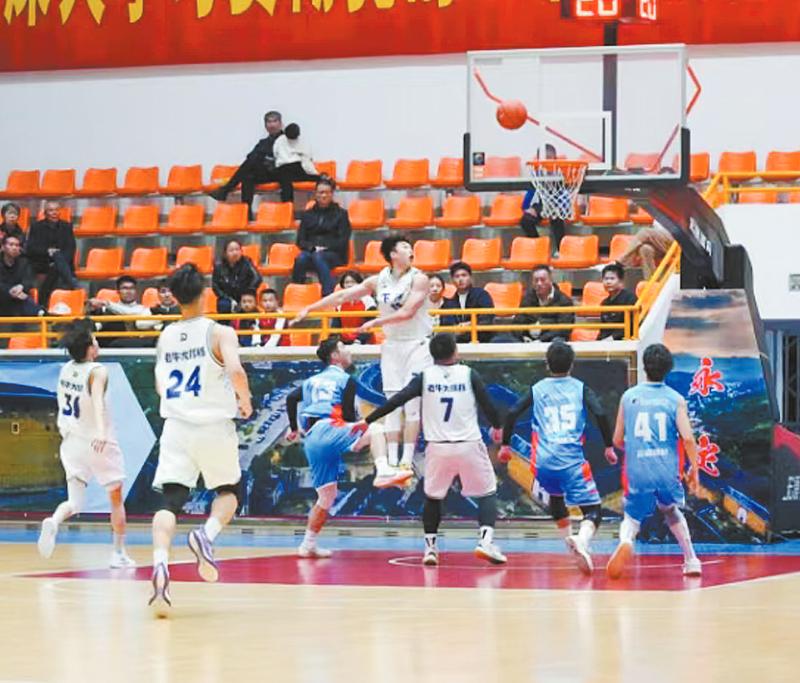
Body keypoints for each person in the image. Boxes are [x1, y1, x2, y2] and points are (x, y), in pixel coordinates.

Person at [149, 264, 253, 617]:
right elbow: (235, 370)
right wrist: (245, 400)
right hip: (212, 425)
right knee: (230, 492)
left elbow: (160, 383)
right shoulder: (220, 332)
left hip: (176, 426)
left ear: (175, 297)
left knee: (171, 500)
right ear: (205, 293)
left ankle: (160, 563)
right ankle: (206, 535)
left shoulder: (165, 336)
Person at [361, 333, 507, 565]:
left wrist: (368, 420)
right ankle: (485, 542)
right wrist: (498, 426)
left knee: (433, 497)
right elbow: (488, 406)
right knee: (487, 492)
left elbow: (397, 400)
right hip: (468, 444)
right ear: (455, 351)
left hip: (438, 448)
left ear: (431, 354)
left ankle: (430, 548)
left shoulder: (425, 377)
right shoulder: (468, 374)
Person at [290, 235, 432, 473]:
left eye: (411, 246)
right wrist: (310, 308)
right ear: (392, 254)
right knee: (392, 404)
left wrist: (376, 322)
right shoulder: (379, 280)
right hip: (392, 345)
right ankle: (393, 461)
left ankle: (407, 460)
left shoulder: (419, 279)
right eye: (405, 247)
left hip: (417, 344)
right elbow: (342, 296)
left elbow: (408, 312)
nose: (411, 250)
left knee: (412, 404)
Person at [285, 337, 411, 557]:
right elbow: (349, 417)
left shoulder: (311, 381)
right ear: (335, 356)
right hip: (330, 429)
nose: (349, 350)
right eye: (343, 347)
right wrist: (359, 439)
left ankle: (307, 544)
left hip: (313, 438)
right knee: (376, 429)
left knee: (326, 497)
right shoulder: (346, 380)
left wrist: (294, 428)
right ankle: (383, 470)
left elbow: (291, 398)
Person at [499, 341, 616, 575]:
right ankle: (582, 540)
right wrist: (608, 446)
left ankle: (569, 544)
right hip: (570, 460)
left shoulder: (538, 388)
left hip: (542, 462)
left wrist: (505, 445)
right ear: (572, 364)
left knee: (555, 497)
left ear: (547, 364)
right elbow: (600, 413)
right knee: (593, 510)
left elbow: (512, 412)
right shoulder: (580, 388)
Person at [37, 319, 134, 568]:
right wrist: (101, 432)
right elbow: (98, 402)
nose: (97, 342)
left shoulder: (66, 369)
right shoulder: (98, 371)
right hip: (97, 443)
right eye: (94, 340)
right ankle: (118, 553)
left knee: (75, 502)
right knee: (116, 498)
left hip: (72, 443)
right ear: (90, 348)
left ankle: (54, 521)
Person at [606, 343, 702, 579]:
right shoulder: (675, 399)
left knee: (632, 516)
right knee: (670, 510)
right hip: (666, 470)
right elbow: (688, 439)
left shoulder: (629, 397)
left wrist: (635, 449)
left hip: (638, 469)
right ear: (668, 368)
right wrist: (695, 470)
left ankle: (626, 540)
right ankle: (691, 560)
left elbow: (616, 439)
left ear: (644, 367)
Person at [208, 110, 285, 220]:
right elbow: (251, 157)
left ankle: (226, 190)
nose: (272, 125)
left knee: (252, 162)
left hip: (280, 172)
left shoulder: (287, 139)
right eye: (269, 122)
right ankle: (247, 213)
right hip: (266, 172)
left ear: (280, 124)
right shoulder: (263, 142)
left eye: (275, 121)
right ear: (265, 126)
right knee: (247, 176)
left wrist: (264, 157)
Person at [292, 178, 351, 296]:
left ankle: (328, 294)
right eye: (321, 192)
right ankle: (297, 293)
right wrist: (312, 248)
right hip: (311, 251)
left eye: (327, 192)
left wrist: (324, 248)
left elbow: (343, 240)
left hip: (334, 254)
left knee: (319, 257)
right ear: (315, 194)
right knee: (300, 259)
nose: (324, 196)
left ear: (332, 194)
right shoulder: (307, 215)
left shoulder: (341, 214)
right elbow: (300, 240)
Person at [25, 200, 77, 308]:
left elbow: (70, 249)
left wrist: (58, 259)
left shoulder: (67, 226)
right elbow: (31, 249)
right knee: (57, 262)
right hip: (42, 262)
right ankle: (75, 286)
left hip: (62, 263)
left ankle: (42, 302)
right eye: (51, 210)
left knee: (57, 261)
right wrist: (48, 252)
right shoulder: (36, 227)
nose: (54, 213)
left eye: (56, 210)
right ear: (45, 212)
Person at [88, 275, 159, 347]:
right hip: (109, 345)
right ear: (118, 291)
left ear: (136, 291)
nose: (128, 291)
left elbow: (129, 312)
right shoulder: (108, 309)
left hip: (135, 345)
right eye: (125, 288)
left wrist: (106, 303)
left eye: (132, 288)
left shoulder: (142, 309)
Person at [520, 144, 565, 257]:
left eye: (549, 158)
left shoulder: (562, 173)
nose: (546, 161)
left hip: (558, 204)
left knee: (557, 217)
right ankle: (537, 246)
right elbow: (529, 196)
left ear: (555, 158)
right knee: (525, 220)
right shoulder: (537, 174)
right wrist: (527, 208)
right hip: (542, 205)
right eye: (544, 158)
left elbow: (566, 196)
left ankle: (561, 249)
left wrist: (562, 207)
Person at [513, 265, 574, 343]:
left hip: (551, 340)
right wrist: (523, 336)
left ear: (551, 280)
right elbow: (517, 322)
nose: (539, 283)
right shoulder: (527, 298)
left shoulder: (564, 301)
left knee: (558, 341)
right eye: (536, 280)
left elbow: (564, 329)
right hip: (528, 340)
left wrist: (541, 340)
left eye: (543, 280)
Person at [439, 261, 495, 343]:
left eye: (464, 275)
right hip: (458, 341)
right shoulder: (449, 303)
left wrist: (470, 324)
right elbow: (446, 324)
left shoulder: (482, 295)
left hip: (481, 339)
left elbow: (487, 317)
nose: (460, 279)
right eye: (457, 276)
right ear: (452, 280)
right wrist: (456, 329)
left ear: (470, 277)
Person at [212, 239, 262, 315]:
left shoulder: (247, 262)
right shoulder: (218, 266)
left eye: (237, 249)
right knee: (223, 305)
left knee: (248, 303)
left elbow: (257, 278)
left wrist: (248, 293)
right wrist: (228, 299)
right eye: (231, 250)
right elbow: (215, 286)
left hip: (244, 296)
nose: (235, 253)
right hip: (227, 298)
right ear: (225, 253)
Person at [274, 123, 322, 202]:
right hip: (294, 168)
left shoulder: (279, 140)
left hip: (284, 169)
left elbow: (275, 155)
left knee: (286, 185)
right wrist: (315, 174)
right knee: (308, 178)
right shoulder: (301, 143)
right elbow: (306, 162)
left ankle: (288, 205)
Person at [0, 234, 41, 317]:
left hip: (18, 299)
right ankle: (42, 313)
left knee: (23, 299)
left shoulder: (24, 263)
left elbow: (29, 280)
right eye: (11, 244)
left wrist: (21, 286)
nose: (14, 248)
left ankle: (42, 314)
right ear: (3, 247)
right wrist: (9, 291)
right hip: (2, 298)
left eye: (17, 245)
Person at [332, 270, 376, 345]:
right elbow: (336, 325)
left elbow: (370, 324)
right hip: (343, 341)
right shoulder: (339, 303)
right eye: (347, 282)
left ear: (359, 284)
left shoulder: (368, 301)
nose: (349, 285)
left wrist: (359, 340)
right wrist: (334, 340)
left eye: (353, 282)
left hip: (364, 342)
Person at [598, 263, 637, 341]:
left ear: (621, 281)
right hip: (607, 342)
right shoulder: (604, 303)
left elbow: (632, 324)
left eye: (612, 279)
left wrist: (613, 338)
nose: (608, 282)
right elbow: (603, 329)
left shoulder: (630, 298)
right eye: (606, 279)